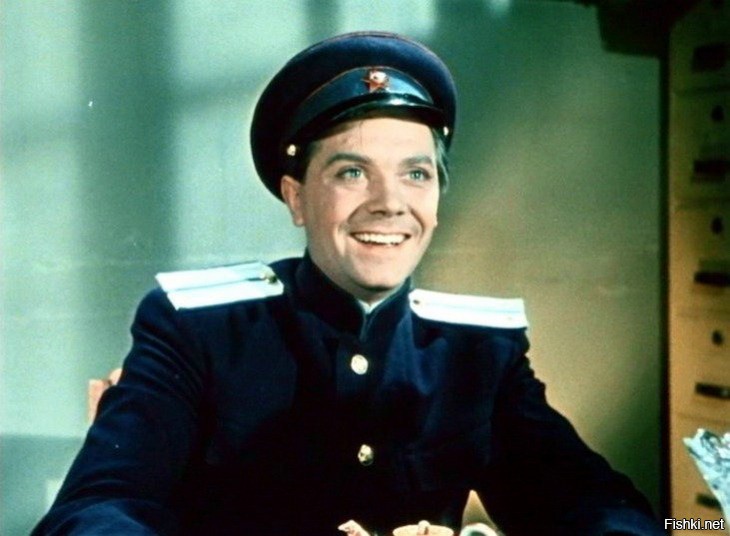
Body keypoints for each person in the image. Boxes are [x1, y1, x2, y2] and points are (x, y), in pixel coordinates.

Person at [33, 31, 665, 536]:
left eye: (416, 174)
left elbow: (591, 503)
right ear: (296, 198)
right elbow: (97, 509)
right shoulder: (199, 329)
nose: (390, 204)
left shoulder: (478, 350)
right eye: (352, 172)